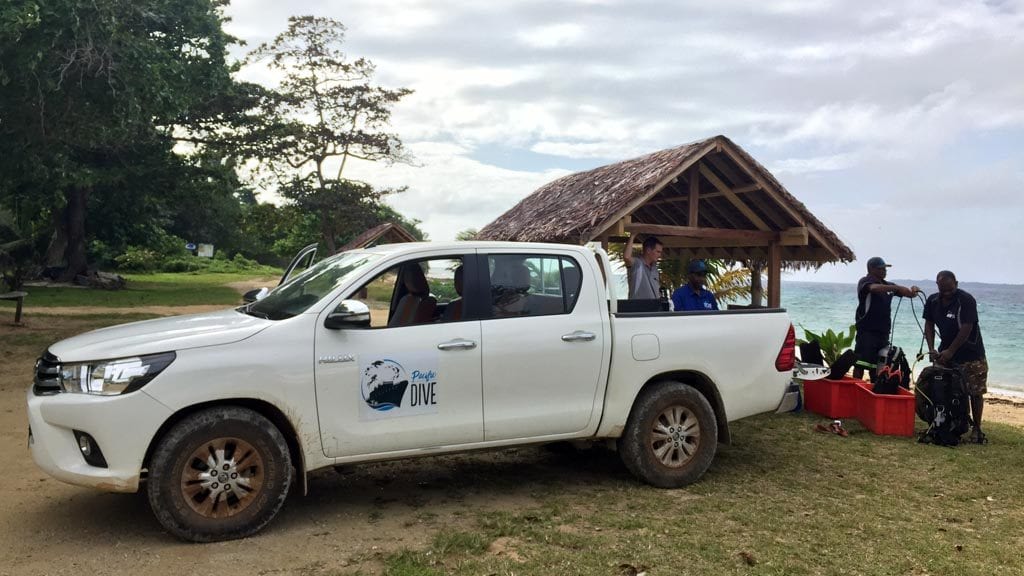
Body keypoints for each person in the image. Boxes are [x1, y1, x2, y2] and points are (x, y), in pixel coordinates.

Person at [923, 270, 988, 444]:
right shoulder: (932, 301)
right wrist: (931, 349)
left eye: (950, 290)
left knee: (974, 391)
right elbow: (928, 324)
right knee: (945, 389)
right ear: (937, 286)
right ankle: (949, 423)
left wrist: (951, 351)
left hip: (971, 354)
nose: (947, 294)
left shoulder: (966, 300)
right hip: (944, 352)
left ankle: (977, 428)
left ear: (956, 284)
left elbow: (966, 327)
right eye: (943, 290)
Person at [853, 257, 921, 380]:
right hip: (867, 332)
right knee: (860, 364)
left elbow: (908, 294)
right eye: (881, 268)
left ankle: (875, 388)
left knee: (879, 365)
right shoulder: (865, 281)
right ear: (872, 269)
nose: (885, 271)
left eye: (885, 268)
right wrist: (895, 288)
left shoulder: (887, 285)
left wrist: (913, 291)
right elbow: (873, 288)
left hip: (883, 333)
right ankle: (855, 388)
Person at [623, 233, 663, 299]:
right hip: (638, 307)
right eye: (658, 252)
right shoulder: (637, 264)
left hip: (654, 307)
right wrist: (632, 236)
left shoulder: (654, 268)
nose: (660, 255)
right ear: (648, 250)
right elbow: (627, 257)